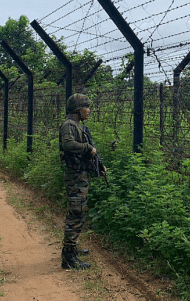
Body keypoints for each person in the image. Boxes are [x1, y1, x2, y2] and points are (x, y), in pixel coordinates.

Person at [59, 93, 107, 270]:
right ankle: (68, 258)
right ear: (77, 109)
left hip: (81, 176)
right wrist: (88, 148)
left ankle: (72, 248)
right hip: (75, 177)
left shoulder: (79, 126)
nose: (89, 111)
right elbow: (68, 145)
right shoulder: (69, 125)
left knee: (79, 213)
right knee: (76, 213)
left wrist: (98, 166)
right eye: (86, 107)